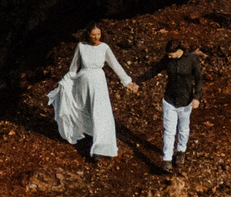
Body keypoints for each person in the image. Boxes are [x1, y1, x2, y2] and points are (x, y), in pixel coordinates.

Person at [48, 25, 133, 159]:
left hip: (98, 83)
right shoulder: (81, 46)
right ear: (88, 34)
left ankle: (99, 148)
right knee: (84, 109)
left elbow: (115, 64)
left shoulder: (104, 47)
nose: (96, 37)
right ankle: (88, 135)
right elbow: (74, 67)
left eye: (98, 34)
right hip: (82, 82)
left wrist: (127, 81)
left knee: (100, 111)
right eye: (93, 34)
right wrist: (65, 80)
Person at [140, 37, 205, 168]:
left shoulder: (192, 60)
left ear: (179, 50)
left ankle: (181, 151)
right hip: (169, 100)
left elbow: (199, 80)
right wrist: (137, 80)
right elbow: (154, 70)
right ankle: (167, 159)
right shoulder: (167, 60)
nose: (169, 56)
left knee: (183, 129)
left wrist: (197, 97)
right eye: (168, 55)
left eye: (171, 54)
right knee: (169, 130)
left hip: (186, 101)